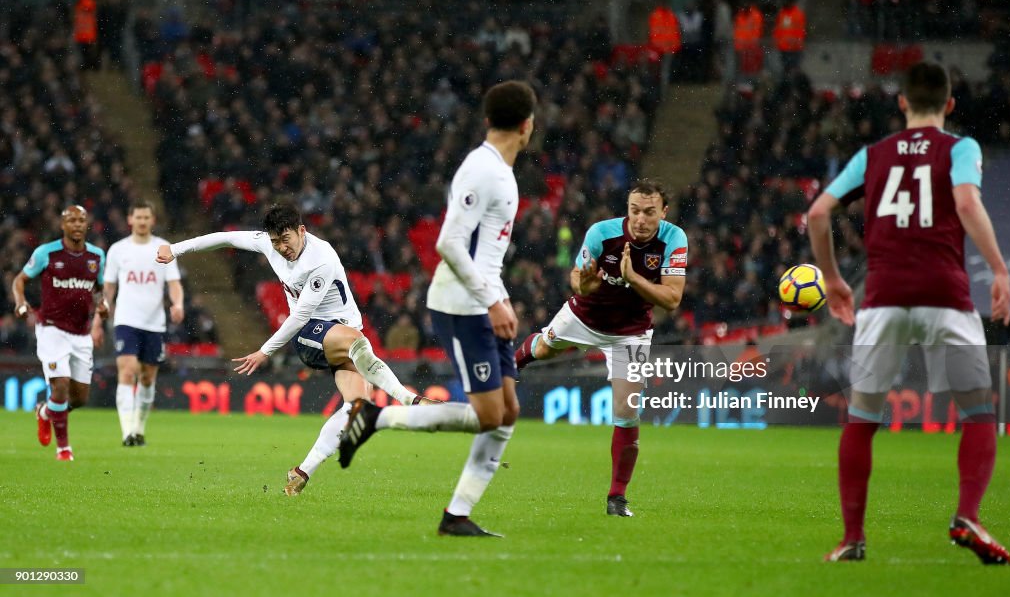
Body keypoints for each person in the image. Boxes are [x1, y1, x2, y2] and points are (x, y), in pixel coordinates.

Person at [808, 62, 1010, 565]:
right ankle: (967, 514)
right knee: (978, 411)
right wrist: (999, 269)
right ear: (949, 105)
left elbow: (817, 213)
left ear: (901, 103)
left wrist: (833, 279)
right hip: (944, 291)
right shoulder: (960, 147)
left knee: (861, 420)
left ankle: (852, 538)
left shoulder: (873, 154)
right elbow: (966, 203)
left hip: (882, 296)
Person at [338, 80, 537, 536]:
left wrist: (500, 296)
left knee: (507, 413)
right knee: (490, 415)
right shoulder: (482, 169)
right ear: (529, 125)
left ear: (489, 119)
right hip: (462, 307)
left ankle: (458, 515)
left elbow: (483, 252)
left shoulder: (499, 171)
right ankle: (375, 417)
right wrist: (491, 300)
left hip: (484, 302)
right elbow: (448, 242)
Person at [156, 203, 432, 495]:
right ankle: (410, 400)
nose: (281, 247)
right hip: (310, 335)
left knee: (358, 409)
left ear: (302, 231)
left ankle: (302, 472)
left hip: (336, 335)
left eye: (285, 239)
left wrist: (265, 350)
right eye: (275, 241)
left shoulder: (321, 259)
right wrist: (176, 248)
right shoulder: (269, 244)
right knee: (355, 342)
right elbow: (226, 238)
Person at [515, 179, 688, 517]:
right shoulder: (601, 233)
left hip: (631, 332)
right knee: (545, 349)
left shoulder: (674, 239)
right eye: (634, 211)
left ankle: (617, 498)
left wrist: (634, 278)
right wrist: (585, 284)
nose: (640, 219)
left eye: (649, 213)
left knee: (627, 411)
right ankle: (516, 360)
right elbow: (576, 278)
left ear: (663, 212)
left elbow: (673, 298)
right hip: (584, 317)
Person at [11, 205, 109, 461]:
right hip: (52, 328)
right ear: (62, 225)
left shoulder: (97, 256)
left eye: (81, 220)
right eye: (71, 220)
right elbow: (19, 280)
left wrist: (103, 303)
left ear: (86, 224)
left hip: (81, 333)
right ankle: (63, 449)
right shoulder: (47, 253)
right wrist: (20, 303)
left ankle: (45, 412)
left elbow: (99, 289)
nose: (76, 224)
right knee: (61, 384)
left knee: (78, 399)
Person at [103, 200, 184, 446]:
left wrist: (178, 304)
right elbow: (109, 286)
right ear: (130, 220)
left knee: (147, 379)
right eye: (138, 217)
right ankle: (127, 432)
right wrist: (103, 309)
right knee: (127, 372)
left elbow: (173, 283)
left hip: (154, 323)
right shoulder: (118, 250)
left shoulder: (163, 248)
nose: (142, 221)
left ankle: (139, 428)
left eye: (146, 217)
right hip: (126, 320)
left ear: (152, 220)